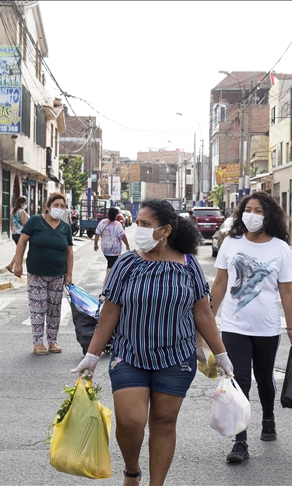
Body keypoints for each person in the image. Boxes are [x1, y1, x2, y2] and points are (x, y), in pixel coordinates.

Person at [71, 199, 233, 486]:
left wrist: (220, 353)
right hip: (129, 354)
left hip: (176, 358)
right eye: (139, 223)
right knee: (131, 422)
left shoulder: (188, 265)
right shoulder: (127, 263)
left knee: (164, 422)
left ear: (166, 230)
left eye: (146, 224)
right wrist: (92, 355)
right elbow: (110, 310)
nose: (139, 229)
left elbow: (203, 312)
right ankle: (132, 471)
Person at [210, 191, 292, 464]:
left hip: (267, 326)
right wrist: (209, 319)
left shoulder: (280, 248)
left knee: (264, 379)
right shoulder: (230, 243)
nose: (252, 214)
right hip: (234, 325)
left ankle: (269, 417)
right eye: (248, 209)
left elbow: (286, 291)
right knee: (239, 380)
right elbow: (220, 284)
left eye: (259, 210)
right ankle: (240, 441)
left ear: (269, 215)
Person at [12, 193, 74, 355]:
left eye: (62, 206)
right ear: (47, 207)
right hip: (36, 274)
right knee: (38, 308)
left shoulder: (65, 227)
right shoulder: (35, 221)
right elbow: (22, 242)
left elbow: (69, 252)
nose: (59, 209)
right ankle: (38, 343)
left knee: (54, 309)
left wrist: (69, 274)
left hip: (57, 275)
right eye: (56, 205)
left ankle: (53, 341)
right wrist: (18, 264)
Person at [94, 207, 130, 283]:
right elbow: (123, 236)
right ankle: (107, 279)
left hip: (105, 248)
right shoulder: (117, 224)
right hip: (114, 249)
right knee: (111, 263)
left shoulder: (102, 222)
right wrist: (127, 245)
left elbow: (97, 233)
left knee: (111, 262)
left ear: (108, 214)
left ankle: (110, 278)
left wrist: (95, 244)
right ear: (116, 215)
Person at [6, 196, 29, 272]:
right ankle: (14, 266)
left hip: (14, 233)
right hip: (21, 233)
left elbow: (11, 223)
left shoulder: (13, 212)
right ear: (21, 203)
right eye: (25, 203)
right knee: (21, 251)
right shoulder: (22, 212)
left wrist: (11, 232)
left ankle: (11, 265)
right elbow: (24, 223)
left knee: (19, 251)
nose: (26, 204)